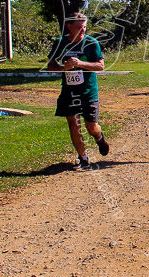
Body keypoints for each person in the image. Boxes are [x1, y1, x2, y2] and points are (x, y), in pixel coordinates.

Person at [46, 12, 110, 170]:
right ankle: (83, 158)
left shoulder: (91, 43)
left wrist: (81, 63)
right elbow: (50, 66)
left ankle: (100, 138)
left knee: (91, 127)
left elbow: (100, 66)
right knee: (73, 123)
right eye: (79, 27)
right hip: (69, 92)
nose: (83, 30)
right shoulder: (60, 43)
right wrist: (63, 68)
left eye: (85, 27)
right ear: (69, 26)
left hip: (88, 91)